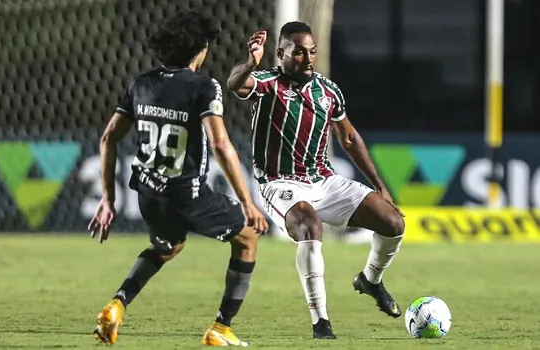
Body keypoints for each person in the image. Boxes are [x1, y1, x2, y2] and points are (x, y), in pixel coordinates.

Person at [88, 10, 268, 347]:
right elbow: (220, 144)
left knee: (168, 246)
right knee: (246, 239)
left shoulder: (141, 84)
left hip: (148, 194)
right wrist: (248, 203)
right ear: (200, 49)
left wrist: (108, 199)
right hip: (187, 195)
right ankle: (221, 328)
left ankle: (117, 305)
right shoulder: (203, 87)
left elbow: (108, 138)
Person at [226, 21, 405, 339]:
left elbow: (348, 138)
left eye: (312, 52)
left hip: (324, 180)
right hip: (279, 183)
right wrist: (250, 63)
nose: (307, 59)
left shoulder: (328, 90)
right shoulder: (267, 83)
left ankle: (371, 280)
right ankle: (321, 323)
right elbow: (235, 85)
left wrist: (380, 186)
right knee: (309, 227)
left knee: (393, 222)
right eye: (298, 53)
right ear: (280, 53)